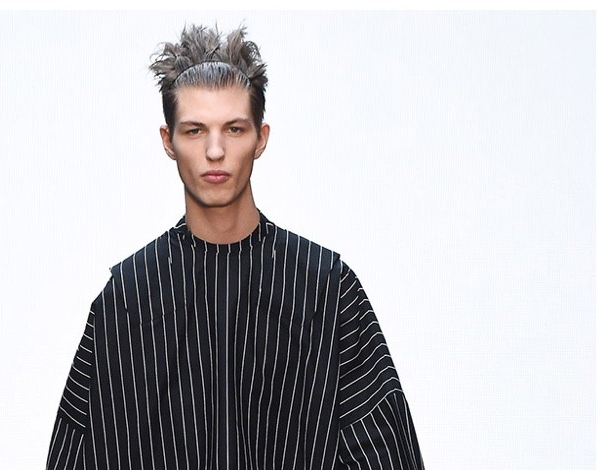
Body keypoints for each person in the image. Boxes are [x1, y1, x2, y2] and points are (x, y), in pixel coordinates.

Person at [46, 25, 423, 469]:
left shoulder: (327, 292)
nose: (215, 150)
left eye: (234, 129)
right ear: (168, 141)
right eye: (194, 131)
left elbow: (385, 452)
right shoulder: (126, 301)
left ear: (260, 137)